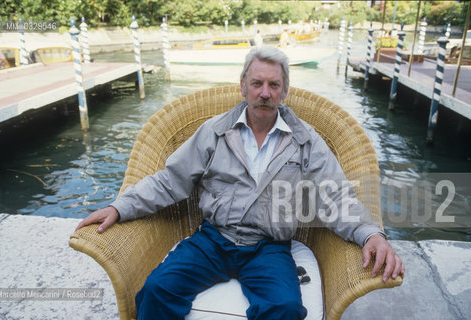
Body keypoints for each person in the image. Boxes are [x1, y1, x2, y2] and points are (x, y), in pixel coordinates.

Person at [76, 46, 404, 320]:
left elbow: (335, 197)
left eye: (273, 85)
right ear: (243, 85)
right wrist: (120, 207)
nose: (264, 93)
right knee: (156, 292)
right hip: (212, 241)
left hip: (269, 247)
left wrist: (371, 234)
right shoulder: (214, 132)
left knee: (286, 308)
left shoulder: (306, 142)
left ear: (284, 91)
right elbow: (169, 181)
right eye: (257, 83)